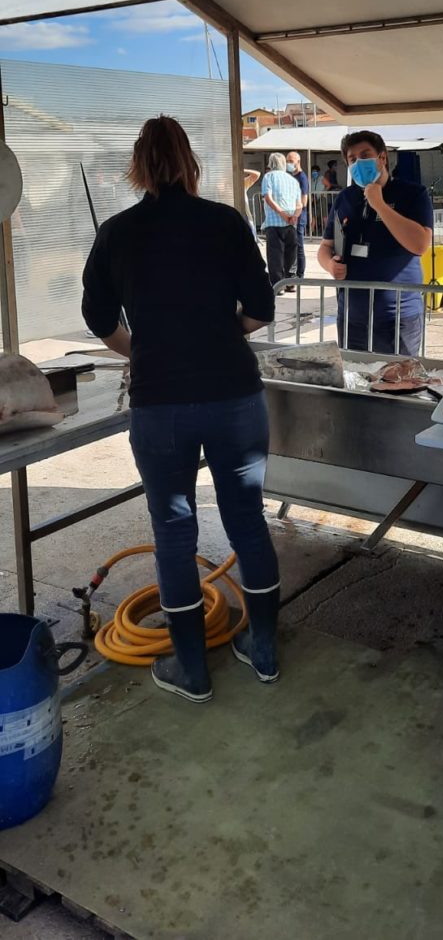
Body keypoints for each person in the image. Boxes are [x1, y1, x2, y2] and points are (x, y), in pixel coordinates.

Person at [82, 116, 280, 704]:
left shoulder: (117, 232)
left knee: (172, 531)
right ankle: (263, 651)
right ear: (190, 162)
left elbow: (98, 317)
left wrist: (138, 349)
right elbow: (262, 307)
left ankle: (191, 670)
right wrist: (220, 334)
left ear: (138, 167)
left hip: (160, 403)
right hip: (233, 396)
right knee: (247, 519)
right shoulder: (225, 221)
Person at [318, 130, 433, 356]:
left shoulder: (413, 194)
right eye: (352, 159)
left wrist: (379, 204)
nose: (358, 163)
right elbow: (325, 246)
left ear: (382, 157)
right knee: (355, 375)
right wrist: (330, 265)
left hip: (397, 317)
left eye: (365, 155)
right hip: (352, 315)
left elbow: (420, 245)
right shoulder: (345, 198)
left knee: (396, 376)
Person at [261, 152, 301, 289]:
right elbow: (299, 204)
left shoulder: (268, 177)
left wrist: (282, 214)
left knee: (275, 256)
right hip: (291, 224)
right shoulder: (293, 180)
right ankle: (291, 282)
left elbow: (268, 198)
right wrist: (294, 216)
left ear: (271, 164)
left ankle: (278, 286)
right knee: (291, 254)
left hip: (274, 223)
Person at [286, 151, 309, 279]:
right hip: (292, 215)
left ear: (298, 162)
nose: (288, 164)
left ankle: (300, 274)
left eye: (291, 161)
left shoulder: (302, 178)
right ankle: (293, 272)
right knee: (292, 245)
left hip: (299, 216)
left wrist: (296, 211)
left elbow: (304, 201)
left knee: (299, 245)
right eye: (287, 161)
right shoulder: (291, 176)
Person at [244, 167, 260, 240]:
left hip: (245, 215)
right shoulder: (221, 184)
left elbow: (257, 174)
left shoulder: (242, 183)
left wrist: (242, 170)